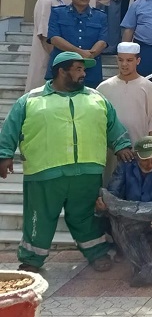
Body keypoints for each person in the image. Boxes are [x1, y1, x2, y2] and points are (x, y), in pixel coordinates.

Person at [0, 51, 134, 273]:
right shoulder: (31, 100)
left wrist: (122, 145)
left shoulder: (96, 97)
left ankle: (97, 252)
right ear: (61, 71)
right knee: (39, 218)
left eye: (83, 69)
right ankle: (32, 259)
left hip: (87, 172)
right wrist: (4, 155)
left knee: (86, 217)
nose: (84, 73)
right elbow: (10, 128)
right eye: (78, 69)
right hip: (44, 172)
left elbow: (113, 124)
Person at [101, 136, 152, 257]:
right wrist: (103, 205)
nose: (150, 164)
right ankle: (122, 247)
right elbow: (112, 193)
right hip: (128, 218)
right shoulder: (125, 163)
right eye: (145, 159)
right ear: (136, 156)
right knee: (103, 217)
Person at [47, 0, 108, 89]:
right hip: (63, 70)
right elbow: (54, 38)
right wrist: (80, 53)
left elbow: (102, 41)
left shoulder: (100, 16)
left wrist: (89, 56)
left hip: (89, 70)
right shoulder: (58, 13)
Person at [97, 42, 152, 147]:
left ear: (138, 61)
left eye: (129, 60)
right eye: (121, 60)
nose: (124, 64)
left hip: (140, 147)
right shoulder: (103, 87)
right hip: (112, 148)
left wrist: (148, 148)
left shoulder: (149, 87)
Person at [26, 0, 66, 92]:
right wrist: (54, 58)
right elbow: (44, 34)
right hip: (46, 52)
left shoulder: (59, 1)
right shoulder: (45, 1)